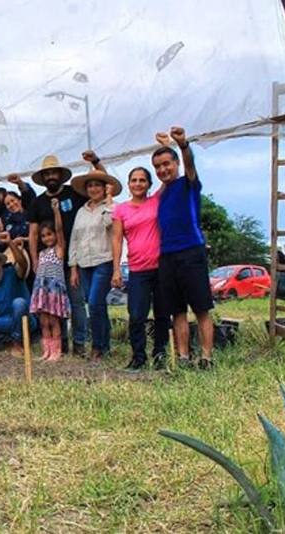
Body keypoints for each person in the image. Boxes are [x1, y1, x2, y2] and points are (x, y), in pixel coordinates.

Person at [153, 126, 215, 369]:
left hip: (191, 251)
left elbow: (189, 163)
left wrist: (183, 144)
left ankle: (207, 357)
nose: (162, 170)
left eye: (167, 164)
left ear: (176, 164)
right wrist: (163, 145)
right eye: (158, 167)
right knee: (177, 311)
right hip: (167, 256)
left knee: (201, 308)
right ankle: (183, 358)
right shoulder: (162, 193)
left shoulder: (188, 184)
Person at [27, 154, 94, 356]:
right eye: (47, 173)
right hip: (49, 263)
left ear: (61, 175)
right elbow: (32, 234)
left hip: (74, 258)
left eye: (54, 172)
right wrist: (35, 260)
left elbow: (98, 194)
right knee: (52, 306)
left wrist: (95, 162)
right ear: (43, 177)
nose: (51, 176)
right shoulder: (37, 203)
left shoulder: (74, 193)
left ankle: (80, 344)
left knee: (75, 302)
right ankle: (59, 345)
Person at [112, 167, 171, 370]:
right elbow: (117, 240)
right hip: (137, 269)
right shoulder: (120, 210)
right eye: (134, 180)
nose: (138, 184)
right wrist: (116, 269)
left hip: (161, 267)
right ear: (128, 184)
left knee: (162, 314)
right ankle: (138, 357)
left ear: (149, 184)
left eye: (142, 180)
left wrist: (170, 144)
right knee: (136, 315)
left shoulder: (155, 201)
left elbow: (170, 176)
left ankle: (160, 354)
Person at [68, 169, 121, 362]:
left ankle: (97, 347)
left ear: (104, 188)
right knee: (96, 306)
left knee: (95, 303)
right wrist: (73, 267)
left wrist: (108, 198)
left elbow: (111, 223)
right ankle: (104, 345)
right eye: (90, 185)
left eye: (97, 185)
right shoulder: (81, 212)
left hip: (103, 261)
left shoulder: (112, 207)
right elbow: (75, 239)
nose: (93, 189)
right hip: (84, 263)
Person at [30, 198, 71, 362]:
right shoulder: (41, 254)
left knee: (54, 321)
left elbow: (60, 230)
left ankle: (56, 351)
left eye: (49, 234)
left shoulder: (59, 250)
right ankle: (46, 351)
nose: (47, 238)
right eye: (43, 236)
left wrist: (56, 211)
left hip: (54, 290)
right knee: (44, 322)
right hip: (41, 290)